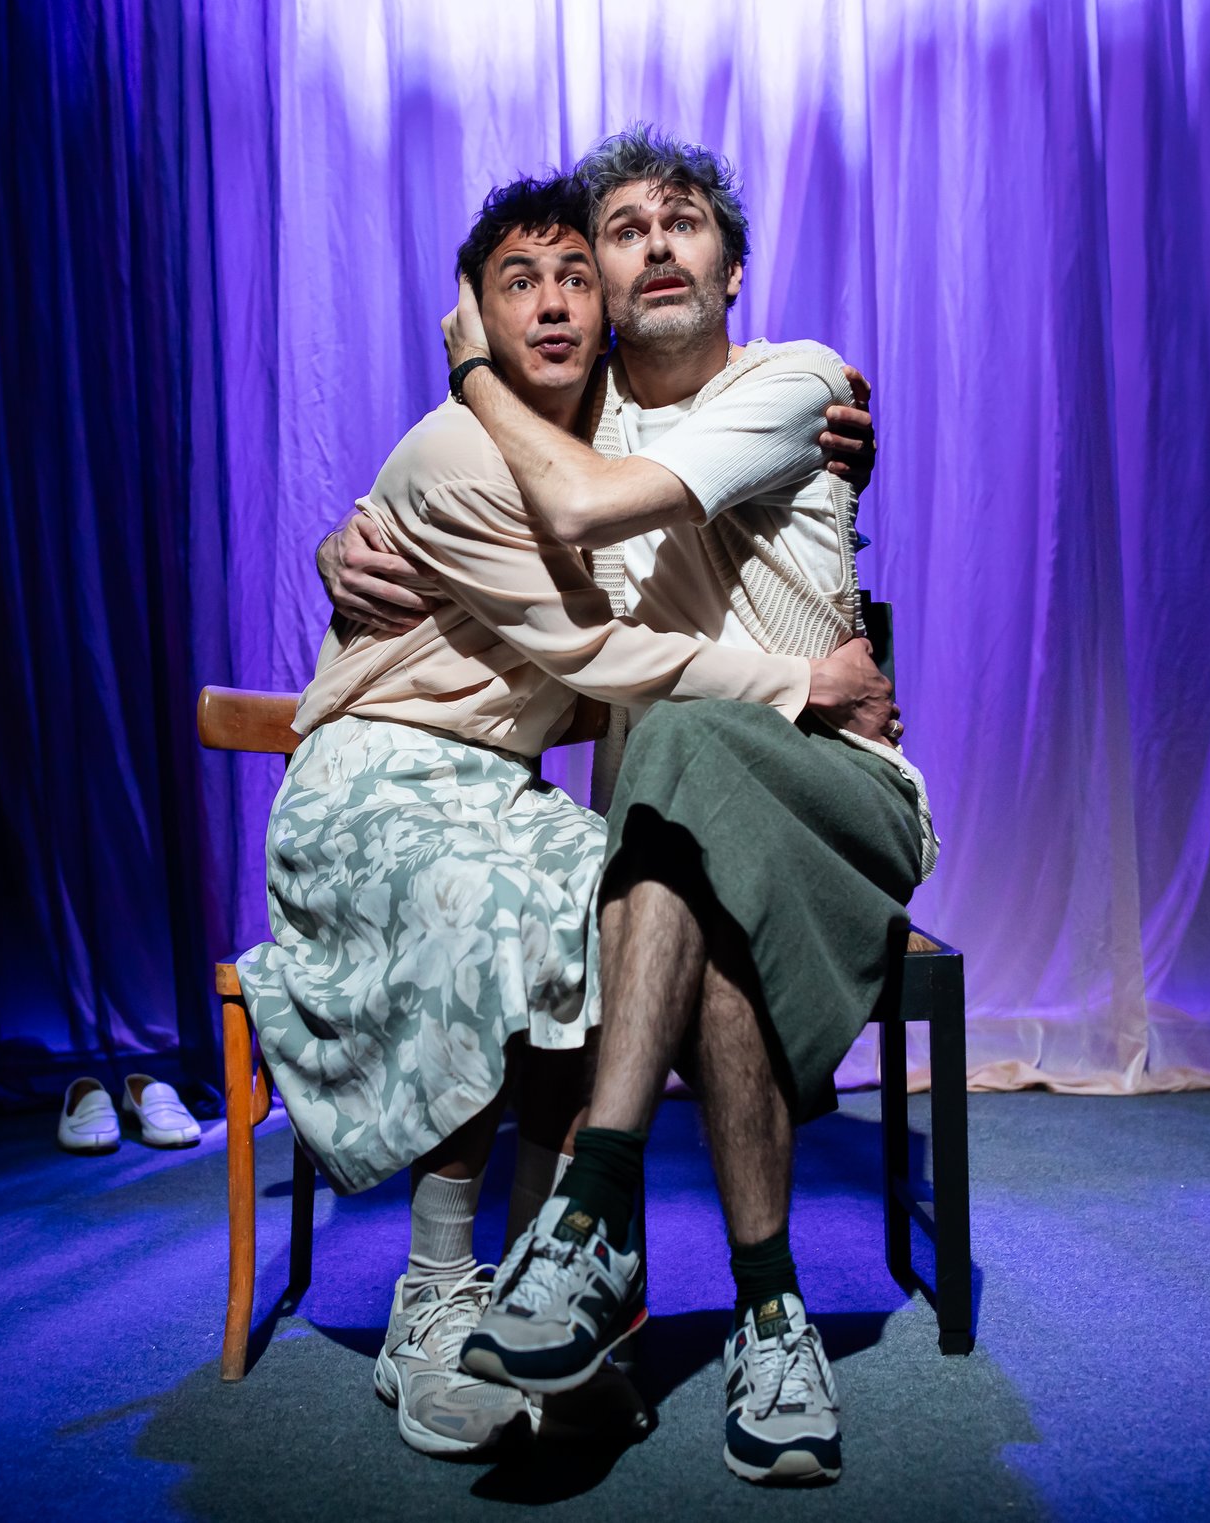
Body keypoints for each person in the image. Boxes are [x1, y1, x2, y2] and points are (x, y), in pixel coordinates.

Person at [241, 173, 896, 1460]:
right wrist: (797, 679)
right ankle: (446, 1289)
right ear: (477, 315)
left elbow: (601, 519)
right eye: (519, 283)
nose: (553, 302)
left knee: (604, 902)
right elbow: (591, 647)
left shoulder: (673, 421)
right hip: (392, 774)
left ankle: (551, 1268)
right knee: (522, 907)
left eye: (569, 279)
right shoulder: (478, 447)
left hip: (533, 778)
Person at [448, 127, 937, 1488]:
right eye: (624, 229)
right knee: (693, 845)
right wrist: (345, 535)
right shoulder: (567, 416)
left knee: (678, 741)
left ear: (731, 269)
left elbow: (588, 507)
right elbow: (426, 496)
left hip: (843, 791)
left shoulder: (796, 381)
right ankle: (773, 1314)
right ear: (597, 282)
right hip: (674, 842)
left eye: (685, 222)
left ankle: (590, 1207)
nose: (657, 243)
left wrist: (471, 366)